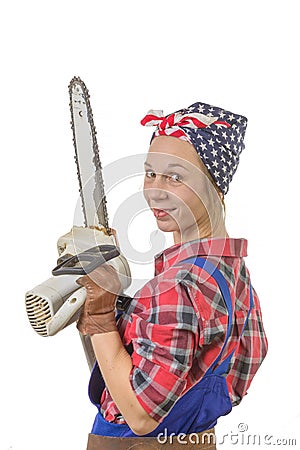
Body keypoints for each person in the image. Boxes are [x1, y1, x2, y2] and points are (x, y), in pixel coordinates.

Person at [74, 102, 268, 450]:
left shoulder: (174, 288)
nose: (155, 190)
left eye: (175, 177)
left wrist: (102, 317)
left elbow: (140, 417)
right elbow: (239, 373)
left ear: (214, 185)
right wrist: (118, 310)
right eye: (150, 173)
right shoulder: (234, 272)